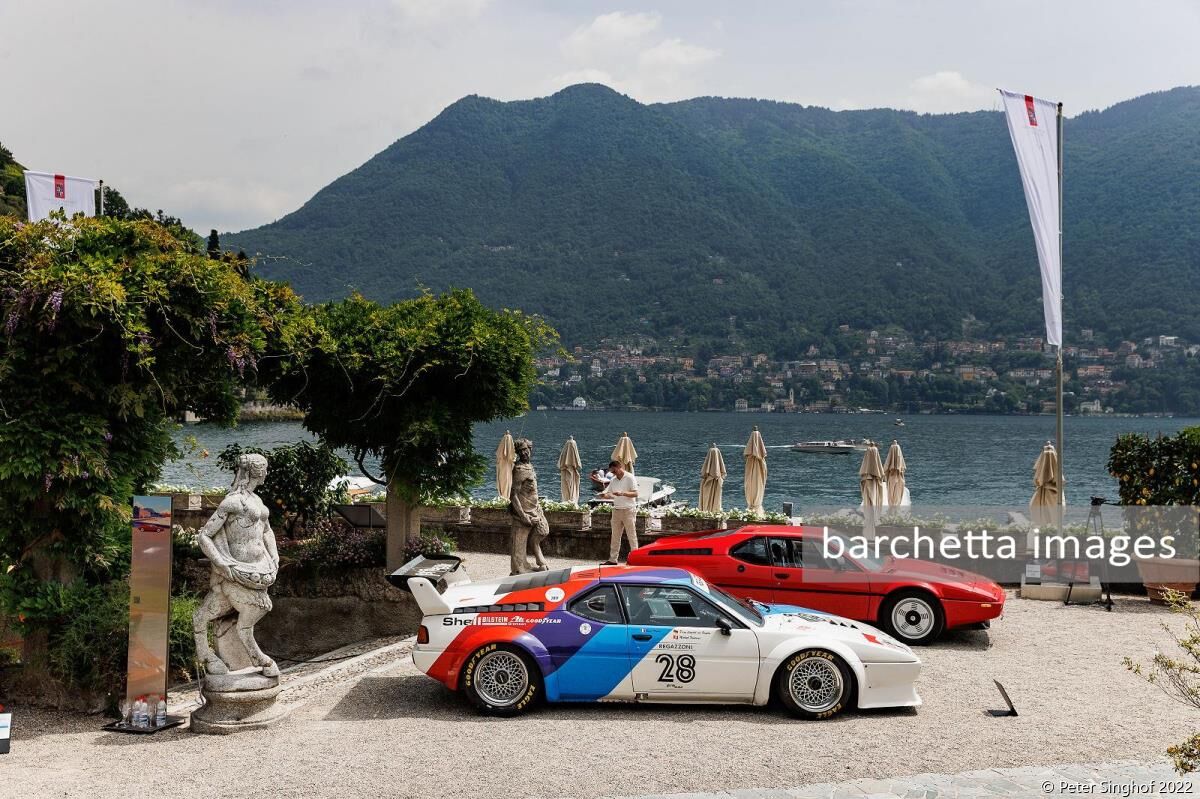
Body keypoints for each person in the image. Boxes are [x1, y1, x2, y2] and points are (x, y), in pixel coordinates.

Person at [600, 459, 638, 564]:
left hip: (628, 510)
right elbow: (610, 494)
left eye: (614, 471)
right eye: (612, 472)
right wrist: (603, 496)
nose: (613, 473)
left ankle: (635, 559)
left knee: (632, 536)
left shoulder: (630, 477)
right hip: (616, 510)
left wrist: (622, 493)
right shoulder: (613, 480)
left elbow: (635, 494)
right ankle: (613, 559)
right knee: (615, 536)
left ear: (619, 467)